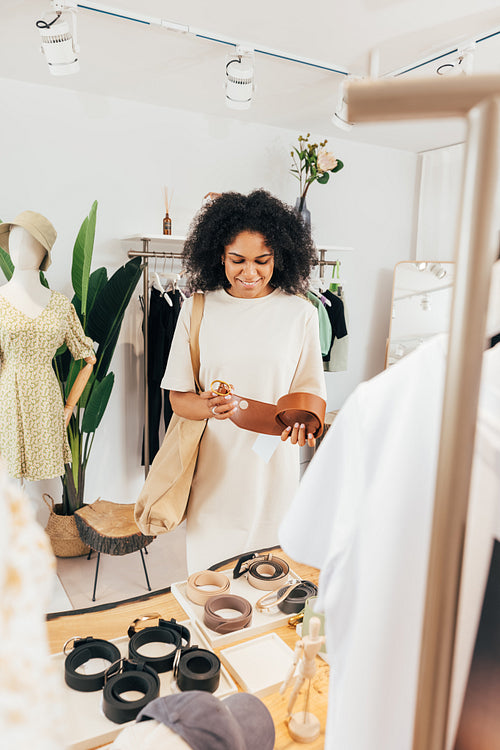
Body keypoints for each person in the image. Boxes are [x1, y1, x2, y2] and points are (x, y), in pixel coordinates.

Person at [161, 189, 326, 572]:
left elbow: (310, 392)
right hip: (214, 471)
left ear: (278, 258)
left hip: (273, 470)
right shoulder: (196, 308)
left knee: (269, 579)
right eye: (237, 260)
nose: (249, 273)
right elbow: (178, 398)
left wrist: (304, 426)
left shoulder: (299, 313)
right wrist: (208, 406)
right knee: (209, 579)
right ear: (219, 255)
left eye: (261, 261)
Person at [0, 211, 96, 481]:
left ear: (43, 253)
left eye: (29, 242)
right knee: (7, 480)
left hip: (45, 398)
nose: (18, 248)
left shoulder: (60, 306)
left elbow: (88, 358)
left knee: (32, 480)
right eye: (14, 239)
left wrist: (68, 407)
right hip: (7, 399)